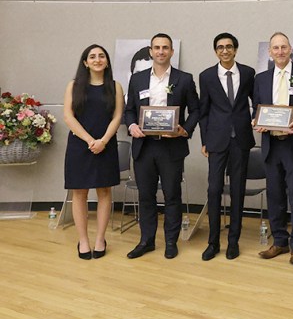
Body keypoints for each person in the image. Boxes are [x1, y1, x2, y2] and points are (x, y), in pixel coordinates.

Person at [124, 33, 200, 259]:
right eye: (156, 47)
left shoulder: (184, 79)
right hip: (144, 147)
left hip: (171, 147)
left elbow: (196, 110)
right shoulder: (137, 80)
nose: (160, 51)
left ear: (171, 52)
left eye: (165, 48)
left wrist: (184, 129)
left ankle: (170, 241)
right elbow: (129, 110)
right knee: (146, 196)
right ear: (150, 51)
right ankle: (146, 240)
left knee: (172, 195)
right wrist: (131, 126)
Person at [251, 32, 293, 265]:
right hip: (271, 145)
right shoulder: (261, 79)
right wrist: (256, 121)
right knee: (275, 195)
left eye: (283, 47)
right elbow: (257, 109)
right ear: (270, 52)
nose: (279, 51)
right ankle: (279, 241)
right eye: (275, 48)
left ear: (290, 49)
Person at [63, 44, 125, 259]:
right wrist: (90, 140)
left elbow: (117, 117)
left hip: (105, 145)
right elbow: (68, 117)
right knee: (79, 193)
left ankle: (100, 238)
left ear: (107, 61)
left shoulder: (115, 86)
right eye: (92, 56)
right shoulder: (74, 85)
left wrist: (104, 141)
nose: (97, 59)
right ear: (85, 62)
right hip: (80, 145)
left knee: (104, 191)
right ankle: (83, 240)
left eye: (101, 56)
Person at [199, 33, 256, 261]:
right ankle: (213, 243)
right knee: (214, 190)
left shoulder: (249, 73)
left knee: (237, 191)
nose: (225, 51)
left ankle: (234, 241)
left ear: (236, 49)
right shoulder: (206, 76)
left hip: (240, 140)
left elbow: (258, 102)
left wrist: (259, 119)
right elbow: (203, 112)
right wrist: (204, 140)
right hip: (216, 141)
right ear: (215, 51)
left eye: (229, 47)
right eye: (220, 47)